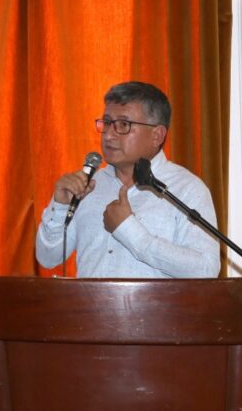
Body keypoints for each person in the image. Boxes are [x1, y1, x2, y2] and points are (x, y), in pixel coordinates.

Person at [35, 81, 220, 278]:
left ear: (157, 135)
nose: (108, 135)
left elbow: (205, 269)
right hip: (88, 300)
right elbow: (47, 257)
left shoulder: (186, 188)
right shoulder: (87, 186)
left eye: (123, 125)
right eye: (107, 123)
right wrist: (61, 206)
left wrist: (129, 230)